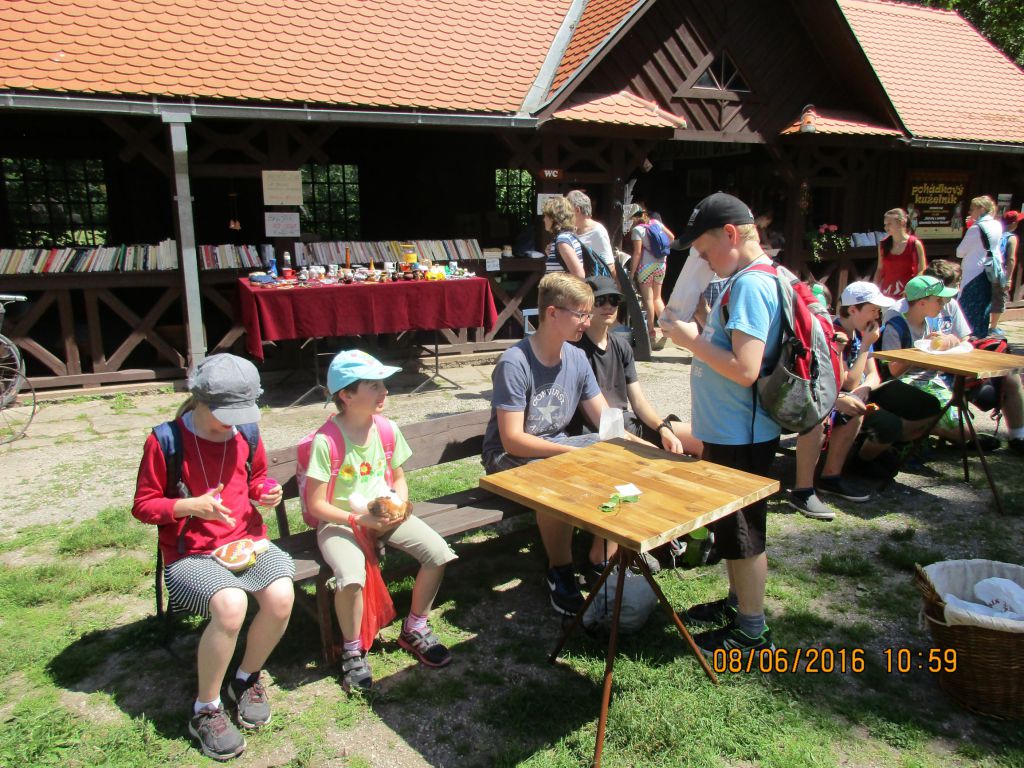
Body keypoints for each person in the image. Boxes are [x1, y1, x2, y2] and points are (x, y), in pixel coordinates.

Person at [132, 354, 294, 762]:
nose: (232, 424)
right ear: (200, 400)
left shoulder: (246, 433)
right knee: (230, 605)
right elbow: (144, 505)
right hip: (191, 553)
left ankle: (245, 678)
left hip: (245, 542)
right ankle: (205, 708)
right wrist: (188, 507)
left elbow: (256, 478)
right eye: (226, 414)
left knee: (281, 596)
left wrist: (267, 491)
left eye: (241, 414)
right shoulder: (166, 440)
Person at [659, 192, 780, 657]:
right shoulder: (749, 279)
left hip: (741, 434)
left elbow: (745, 368)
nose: (704, 260)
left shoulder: (750, 285)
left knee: (744, 535)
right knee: (733, 530)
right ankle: (737, 604)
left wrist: (689, 340)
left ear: (730, 234)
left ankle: (752, 632)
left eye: (705, 249)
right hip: (733, 430)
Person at [305, 350, 457, 692]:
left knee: (438, 553)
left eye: (383, 384)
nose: (385, 391)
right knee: (350, 577)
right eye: (374, 386)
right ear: (346, 395)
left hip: (382, 515)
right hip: (340, 522)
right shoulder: (326, 441)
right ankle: (352, 650)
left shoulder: (386, 429)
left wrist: (398, 504)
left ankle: (415, 627)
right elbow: (316, 505)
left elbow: (398, 479)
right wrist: (356, 518)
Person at [482, 272, 623, 616]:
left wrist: (633, 443)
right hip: (505, 456)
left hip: (553, 447)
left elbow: (605, 421)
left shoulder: (576, 358)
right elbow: (513, 440)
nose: (587, 322)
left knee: (617, 457)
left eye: (588, 314)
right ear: (552, 313)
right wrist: (571, 452)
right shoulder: (515, 362)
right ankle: (560, 571)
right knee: (557, 477)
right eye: (581, 314)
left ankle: (601, 556)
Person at [570, 274, 702, 456]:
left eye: (614, 300)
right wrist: (642, 444)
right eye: (599, 300)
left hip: (627, 423)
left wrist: (662, 428)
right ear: (585, 305)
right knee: (658, 454)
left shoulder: (622, 346)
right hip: (598, 432)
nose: (608, 306)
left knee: (701, 440)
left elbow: (639, 402)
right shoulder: (575, 351)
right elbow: (597, 419)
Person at [879, 275, 999, 450]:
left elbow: (949, 347)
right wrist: (921, 350)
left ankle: (922, 431)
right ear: (922, 303)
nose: (943, 305)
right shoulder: (896, 327)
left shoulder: (929, 323)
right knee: (962, 431)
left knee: (964, 430)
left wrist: (950, 342)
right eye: (938, 300)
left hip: (933, 381)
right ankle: (909, 435)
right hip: (907, 384)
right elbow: (893, 370)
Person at [956, 195, 1003, 337]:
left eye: (972, 209)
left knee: (968, 307)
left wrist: (970, 227)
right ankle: (981, 336)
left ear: (981, 209)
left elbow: (960, 252)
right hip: (989, 270)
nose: (970, 212)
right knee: (983, 307)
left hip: (973, 272)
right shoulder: (997, 225)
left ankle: (968, 337)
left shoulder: (976, 228)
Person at [629, 208, 675, 351]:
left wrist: (632, 273)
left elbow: (637, 253)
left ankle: (651, 331)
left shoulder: (637, 230)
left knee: (648, 299)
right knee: (657, 298)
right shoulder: (656, 223)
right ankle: (667, 328)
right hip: (661, 264)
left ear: (635, 218)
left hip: (645, 266)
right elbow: (672, 237)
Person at [873, 208, 927, 300]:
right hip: (886, 294)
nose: (886, 228)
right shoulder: (883, 244)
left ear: (902, 222)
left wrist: (911, 289)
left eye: (889, 224)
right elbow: (879, 269)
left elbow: (922, 270)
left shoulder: (914, 244)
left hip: (908, 294)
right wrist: (874, 289)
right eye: (885, 224)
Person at [567, 189, 616, 273]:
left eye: (568, 211)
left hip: (590, 280)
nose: (566, 215)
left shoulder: (597, 231)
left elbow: (609, 266)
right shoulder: (571, 231)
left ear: (577, 210)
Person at [990, 210, 1019, 336]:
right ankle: (993, 327)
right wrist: (1009, 279)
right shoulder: (1011, 238)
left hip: (988, 269)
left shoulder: (995, 233)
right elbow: (1011, 259)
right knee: (999, 298)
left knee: (987, 296)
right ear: (1014, 223)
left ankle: (982, 324)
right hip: (1000, 271)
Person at [542, 196, 584, 278]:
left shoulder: (563, 240)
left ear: (553, 218)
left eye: (546, 216)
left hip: (563, 287)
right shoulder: (568, 237)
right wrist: (552, 254)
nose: (543, 219)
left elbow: (579, 276)